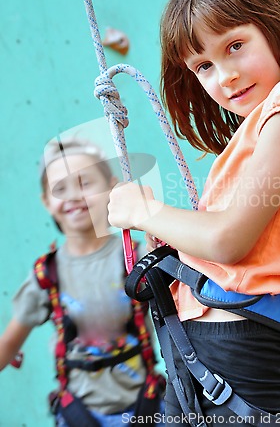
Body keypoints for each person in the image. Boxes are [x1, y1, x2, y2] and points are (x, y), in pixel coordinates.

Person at [107, 0, 280, 426]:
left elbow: (230, 240)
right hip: (198, 355)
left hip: (245, 361)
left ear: (272, 29)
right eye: (204, 65)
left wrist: (146, 210)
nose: (225, 75)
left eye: (235, 45)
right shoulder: (257, 137)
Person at [0, 137, 165, 427]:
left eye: (85, 183)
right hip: (79, 416)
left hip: (148, 409)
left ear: (111, 188)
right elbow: (8, 344)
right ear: (46, 202)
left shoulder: (139, 258)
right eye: (60, 188)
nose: (73, 195)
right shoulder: (46, 275)